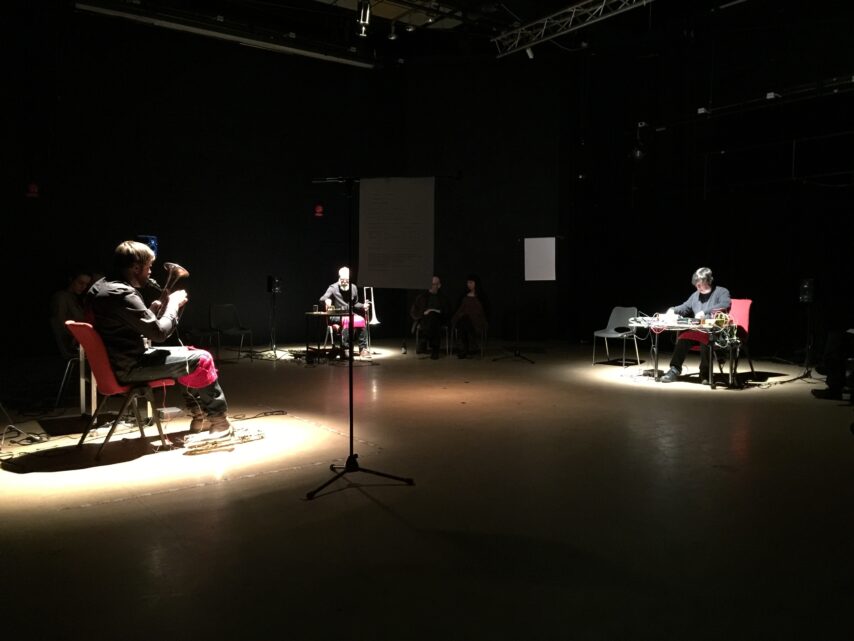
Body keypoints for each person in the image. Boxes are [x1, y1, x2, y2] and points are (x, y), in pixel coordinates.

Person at [86, 240, 231, 438]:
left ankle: (201, 416)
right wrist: (173, 305)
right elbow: (159, 334)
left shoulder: (100, 287)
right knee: (202, 359)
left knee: (188, 353)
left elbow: (123, 326)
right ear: (136, 267)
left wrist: (151, 311)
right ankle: (220, 422)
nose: (150, 272)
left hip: (119, 363)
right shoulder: (122, 294)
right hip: (131, 367)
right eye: (149, 267)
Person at [660, 266, 731, 383]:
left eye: (700, 284)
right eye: (696, 285)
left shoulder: (722, 291)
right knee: (683, 337)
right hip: (698, 330)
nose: (698, 287)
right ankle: (674, 370)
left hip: (715, 331)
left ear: (708, 280)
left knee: (706, 337)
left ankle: (705, 373)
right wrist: (672, 310)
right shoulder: (695, 295)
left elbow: (725, 304)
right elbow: (685, 307)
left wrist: (705, 312)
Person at [319, 266, 371, 359]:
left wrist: (363, 305)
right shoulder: (333, 287)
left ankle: (363, 349)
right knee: (347, 320)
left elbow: (355, 304)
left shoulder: (353, 287)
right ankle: (346, 349)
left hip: (349, 314)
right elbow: (322, 299)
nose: (344, 282)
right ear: (339, 277)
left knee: (361, 320)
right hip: (335, 315)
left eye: (347, 280)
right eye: (342, 280)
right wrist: (326, 300)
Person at [50, 268, 93, 356]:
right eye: (80, 283)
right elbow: (58, 324)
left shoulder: (78, 299)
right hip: (71, 345)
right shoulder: (61, 297)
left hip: (80, 342)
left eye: (86, 284)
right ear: (71, 280)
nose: (83, 287)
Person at [410, 276, 451, 359]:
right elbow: (414, 311)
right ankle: (435, 349)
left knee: (433, 316)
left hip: (439, 319)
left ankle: (425, 339)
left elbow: (447, 311)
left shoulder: (443, 298)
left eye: (434, 284)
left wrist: (438, 311)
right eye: (430, 284)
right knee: (431, 317)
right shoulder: (422, 297)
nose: (432, 286)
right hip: (425, 319)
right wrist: (423, 313)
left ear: (439, 285)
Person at [451, 274, 489, 359]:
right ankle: (469, 345)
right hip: (464, 319)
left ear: (476, 283)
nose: (469, 284)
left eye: (471, 282)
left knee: (465, 321)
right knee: (464, 320)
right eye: (468, 282)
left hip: (477, 320)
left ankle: (465, 348)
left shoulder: (482, 296)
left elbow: (484, 311)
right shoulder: (464, 295)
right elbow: (459, 309)